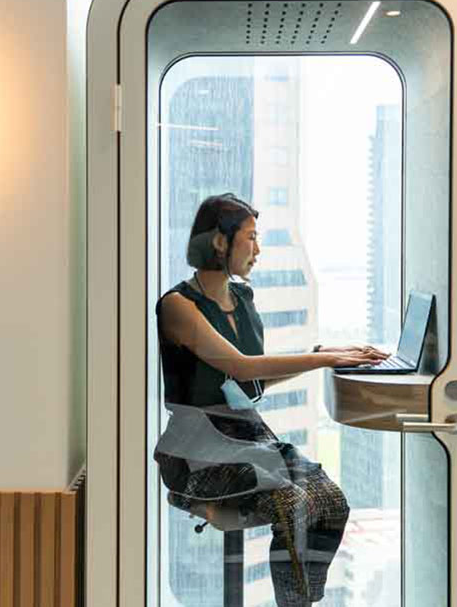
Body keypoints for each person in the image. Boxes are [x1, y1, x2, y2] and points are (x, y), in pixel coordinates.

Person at [153, 192, 389, 606]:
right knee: (292, 503)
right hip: (196, 449)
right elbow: (242, 366)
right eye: (251, 238)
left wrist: (319, 356)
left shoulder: (243, 299)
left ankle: (301, 600)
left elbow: (252, 381)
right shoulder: (178, 306)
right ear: (221, 242)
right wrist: (327, 358)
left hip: (247, 437)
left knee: (332, 502)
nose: (257, 249)